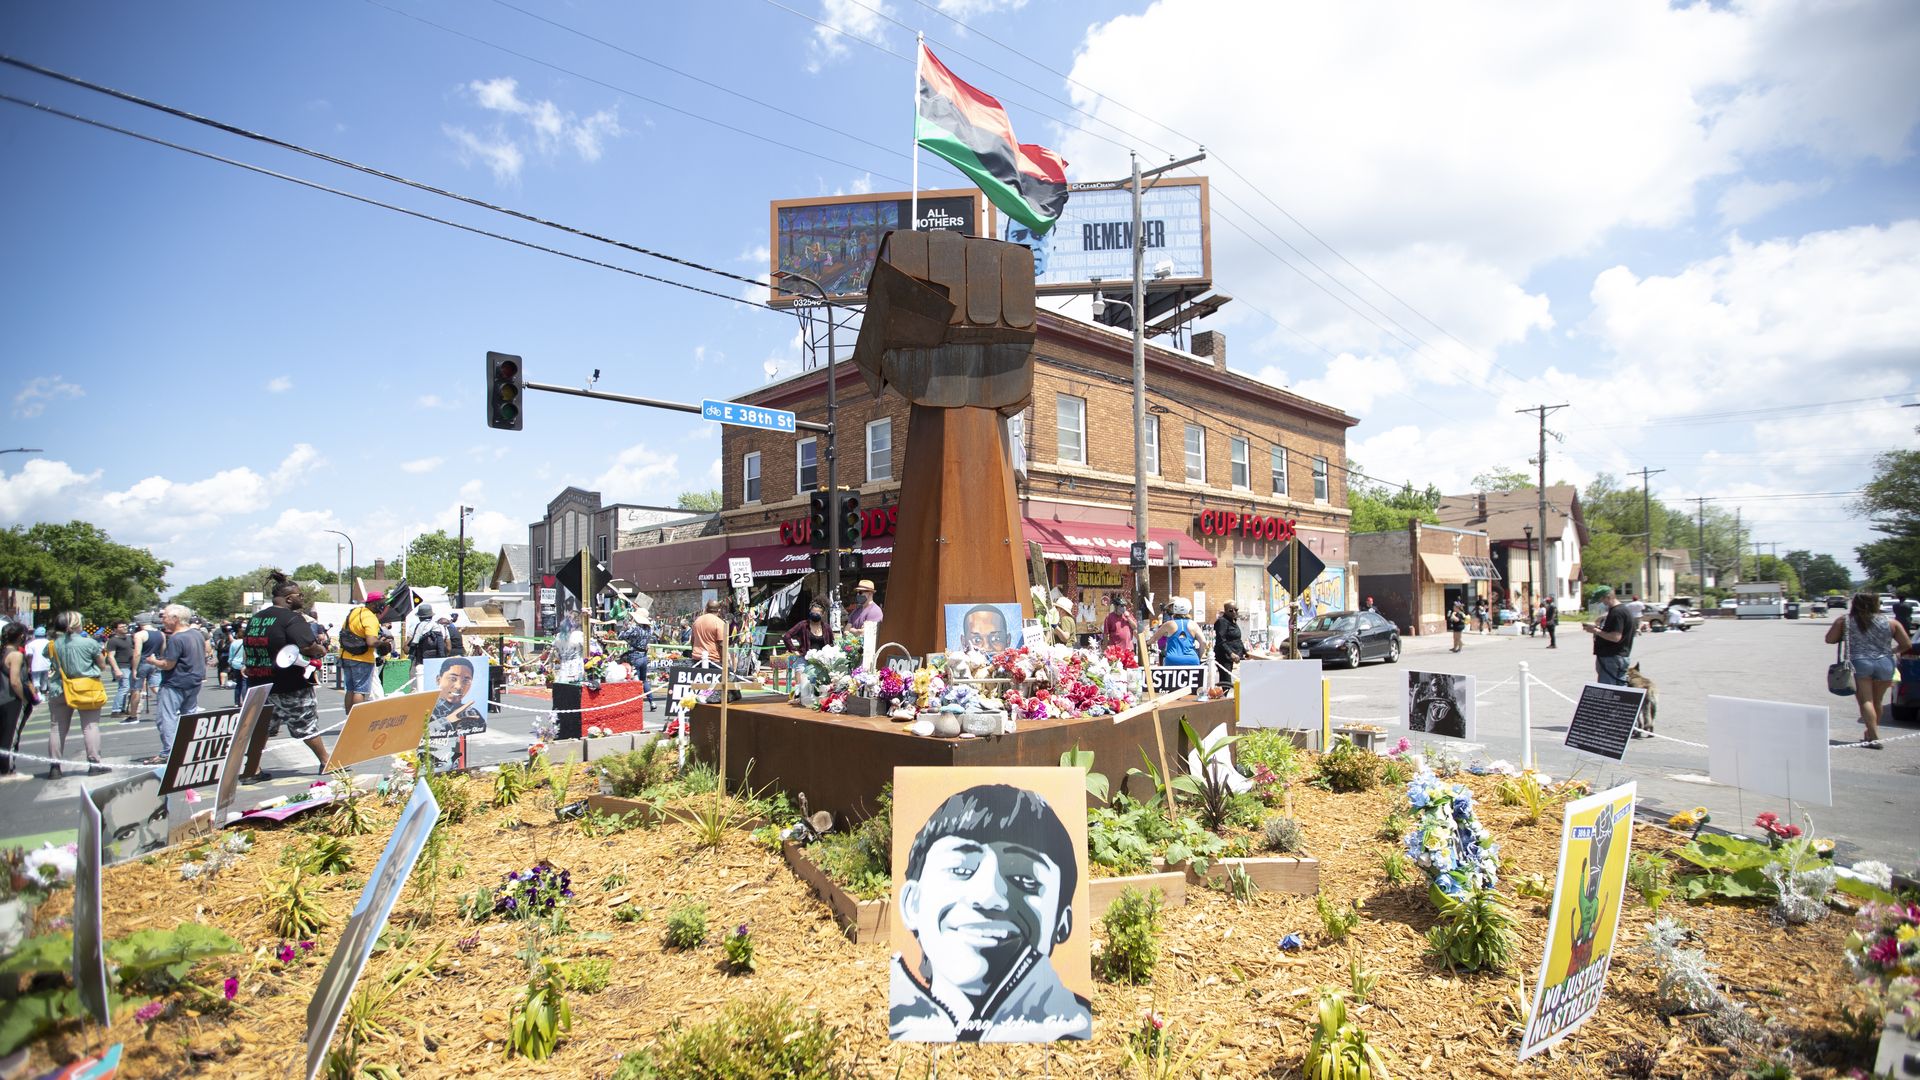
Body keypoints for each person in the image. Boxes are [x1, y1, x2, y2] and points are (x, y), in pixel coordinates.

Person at [890, 784, 1091, 1042]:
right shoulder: (899, 1020)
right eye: (960, 870)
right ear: (912, 903)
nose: (988, 898)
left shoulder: (1077, 1024)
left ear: (1061, 923)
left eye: (1024, 879)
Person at [238, 573, 332, 782]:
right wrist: (320, 650)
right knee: (305, 723)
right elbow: (307, 646)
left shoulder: (256, 618)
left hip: (259, 684)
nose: (302, 598)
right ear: (289, 599)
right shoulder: (292, 618)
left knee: (262, 728)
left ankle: (252, 769)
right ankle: (327, 761)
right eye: (300, 595)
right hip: (289, 684)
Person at [1826, 593, 1911, 750]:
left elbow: (1829, 639)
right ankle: (1870, 733)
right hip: (1885, 662)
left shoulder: (1845, 620)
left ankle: (1874, 736)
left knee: (1866, 701)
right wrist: (1891, 651)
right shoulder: (1891, 622)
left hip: (1859, 662)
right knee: (1877, 701)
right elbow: (1906, 644)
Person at [44, 610, 110, 778]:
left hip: (59, 687)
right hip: (86, 688)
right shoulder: (89, 643)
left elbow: (49, 658)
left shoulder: (52, 644)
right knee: (90, 726)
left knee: (57, 728)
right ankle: (94, 764)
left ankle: (55, 767)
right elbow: (102, 665)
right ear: (76, 624)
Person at [144, 604, 206, 765]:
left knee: (166, 718)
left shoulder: (177, 638)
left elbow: (168, 664)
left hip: (175, 682)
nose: (162, 620)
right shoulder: (196, 634)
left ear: (175, 618)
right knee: (189, 716)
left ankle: (169, 752)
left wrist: (153, 661)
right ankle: (189, 749)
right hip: (194, 680)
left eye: (165, 617)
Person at [0, 623, 38, 782]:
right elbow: (15, 681)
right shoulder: (16, 655)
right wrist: (24, 698)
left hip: (3, 698)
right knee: (11, 736)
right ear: (21, 636)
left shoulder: (3, 652)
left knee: (4, 734)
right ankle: (7, 770)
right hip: (12, 699)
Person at [338, 591, 383, 717]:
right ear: (373, 603)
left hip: (345, 655)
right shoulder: (370, 617)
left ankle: (349, 718)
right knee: (360, 691)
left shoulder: (354, 612)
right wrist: (383, 644)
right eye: (381, 603)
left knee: (350, 689)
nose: (383, 605)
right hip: (362, 658)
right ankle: (357, 719)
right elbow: (371, 641)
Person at [1582, 587, 1636, 686]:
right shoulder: (1623, 610)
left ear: (1608, 597)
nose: (1601, 603)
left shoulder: (1617, 612)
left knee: (1608, 689)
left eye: (1601, 600)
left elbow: (1615, 637)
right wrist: (1599, 628)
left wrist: (1596, 631)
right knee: (1620, 689)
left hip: (1611, 657)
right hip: (1621, 655)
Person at [129, 615, 165, 722]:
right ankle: (169, 708)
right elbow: (163, 650)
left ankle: (133, 716)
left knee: (136, 689)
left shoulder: (139, 634)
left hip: (143, 662)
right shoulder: (161, 634)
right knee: (156, 687)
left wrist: (134, 669)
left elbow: (137, 653)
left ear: (139, 623)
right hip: (156, 661)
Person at [1149, 597, 1203, 666]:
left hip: (1172, 660)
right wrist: (1198, 657)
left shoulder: (1169, 624)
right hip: (1192, 659)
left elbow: (1154, 639)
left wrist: (1147, 643)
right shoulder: (1194, 624)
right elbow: (1203, 642)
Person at [105, 620, 135, 718]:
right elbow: (110, 656)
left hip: (130, 666)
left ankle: (122, 709)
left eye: (125, 626)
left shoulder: (129, 638)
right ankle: (116, 710)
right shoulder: (113, 641)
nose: (124, 628)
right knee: (124, 687)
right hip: (121, 666)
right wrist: (116, 669)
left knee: (127, 688)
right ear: (115, 629)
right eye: (121, 627)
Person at [1212, 602, 1247, 682]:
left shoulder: (1233, 621)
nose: (1234, 612)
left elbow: (1237, 639)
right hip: (1224, 656)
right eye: (1231, 610)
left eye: (1236, 610)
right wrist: (1231, 653)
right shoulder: (1222, 622)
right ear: (1226, 611)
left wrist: (1245, 652)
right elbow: (1221, 640)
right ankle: (1223, 690)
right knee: (1226, 680)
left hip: (1234, 654)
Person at [690, 600, 728, 664]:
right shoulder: (720, 623)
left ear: (706, 609)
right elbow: (722, 644)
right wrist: (724, 662)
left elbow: (692, 640)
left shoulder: (697, 621)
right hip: (713, 660)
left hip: (697, 659)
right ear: (719, 610)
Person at [25, 625, 52, 698]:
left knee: (35, 680)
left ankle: (38, 694)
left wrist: (29, 666)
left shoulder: (30, 644)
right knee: (44, 679)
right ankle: (43, 694)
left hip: (35, 665)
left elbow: (29, 656)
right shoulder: (49, 643)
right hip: (47, 664)